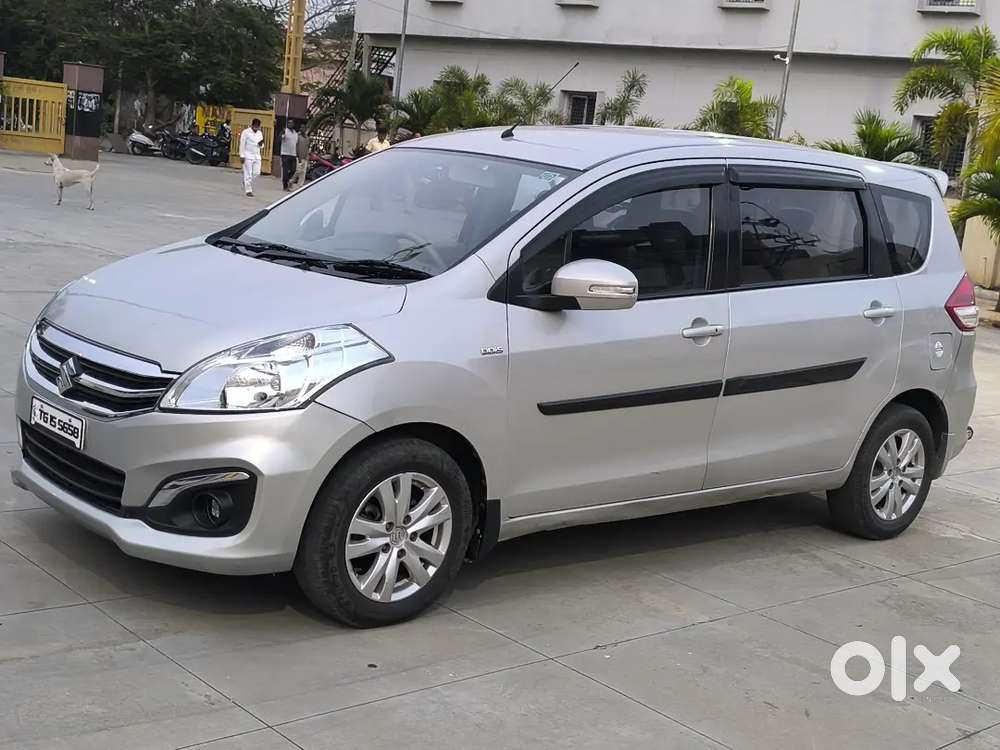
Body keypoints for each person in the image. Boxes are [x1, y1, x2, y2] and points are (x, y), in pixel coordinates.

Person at [239, 118, 264, 197]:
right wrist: (242, 155)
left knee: (257, 173)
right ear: (252, 125)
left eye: (258, 126)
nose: (257, 127)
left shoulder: (260, 133)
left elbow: (262, 145)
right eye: (255, 126)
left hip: (257, 156)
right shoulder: (246, 132)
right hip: (248, 155)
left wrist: (261, 145)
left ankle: (246, 182)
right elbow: (242, 144)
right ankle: (248, 190)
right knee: (248, 173)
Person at [280, 120, 299, 192]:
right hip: (285, 154)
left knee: (293, 170)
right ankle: (285, 186)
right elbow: (279, 139)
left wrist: (297, 154)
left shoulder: (295, 133)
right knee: (285, 170)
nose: (290, 124)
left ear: (293, 124)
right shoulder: (285, 131)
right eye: (289, 123)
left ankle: (287, 180)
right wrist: (282, 134)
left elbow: (296, 144)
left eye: (291, 123)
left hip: (293, 154)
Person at [294, 122, 310, 186]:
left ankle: (300, 185)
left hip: (305, 157)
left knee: (303, 172)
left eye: (303, 128)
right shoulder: (297, 136)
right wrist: (298, 156)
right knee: (297, 171)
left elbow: (307, 148)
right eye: (301, 127)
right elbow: (296, 146)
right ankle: (291, 181)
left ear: (305, 129)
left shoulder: (307, 138)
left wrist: (307, 157)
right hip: (298, 157)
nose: (302, 129)